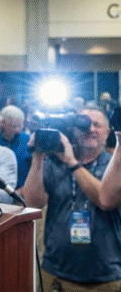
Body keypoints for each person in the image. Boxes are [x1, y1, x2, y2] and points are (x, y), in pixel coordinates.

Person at [24, 107, 121, 291]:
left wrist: (72, 163)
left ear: (108, 133)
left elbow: (104, 200)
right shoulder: (55, 162)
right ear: (74, 130)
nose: (91, 129)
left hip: (106, 277)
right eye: (84, 124)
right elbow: (33, 202)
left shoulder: (115, 166)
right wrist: (38, 157)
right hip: (56, 274)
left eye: (97, 125)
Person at [0, 105, 31, 197]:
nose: (18, 130)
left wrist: (23, 190)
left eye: (20, 126)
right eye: (14, 126)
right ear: (2, 123)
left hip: (23, 194)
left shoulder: (28, 141)